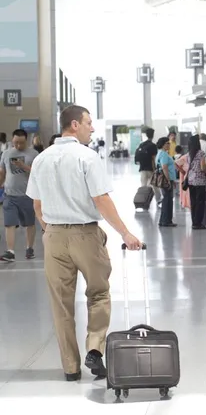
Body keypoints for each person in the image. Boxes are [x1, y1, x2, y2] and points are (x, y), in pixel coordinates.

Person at [26, 105, 143, 382]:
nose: (92, 128)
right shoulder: (87, 157)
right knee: (99, 294)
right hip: (86, 234)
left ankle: (70, 368)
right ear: (75, 125)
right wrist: (125, 233)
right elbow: (101, 200)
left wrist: (50, 231)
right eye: (89, 122)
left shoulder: (41, 159)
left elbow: (37, 205)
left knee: (61, 305)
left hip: (54, 236)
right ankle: (94, 349)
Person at [0, 129, 39, 261]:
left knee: (29, 223)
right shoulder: (6, 154)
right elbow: (2, 172)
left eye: (21, 143)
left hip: (27, 195)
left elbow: (39, 173)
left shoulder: (34, 154)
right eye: (15, 142)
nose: (18, 145)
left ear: (26, 141)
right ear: (12, 140)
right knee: (9, 223)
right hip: (9, 195)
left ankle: (29, 248)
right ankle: (10, 251)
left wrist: (24, 166)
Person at [185, 135, 206, 229]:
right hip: (199, 181)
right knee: (200, 202)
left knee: (193, 202)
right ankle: (198, 223)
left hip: (191, 180)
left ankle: (194, 222)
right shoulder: (201, 153)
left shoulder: (188, 154)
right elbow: (203, 168)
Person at [135, 128, 161, 205]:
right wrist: (155, 169)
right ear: (153, 135)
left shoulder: (141, 145)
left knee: (143, 186)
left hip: (142, 169)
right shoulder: (153, 146)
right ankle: (158, 200)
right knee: (155, 185)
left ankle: (143, 201)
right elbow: (154, 158)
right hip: (150, 169)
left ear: (146, 135)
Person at [155, 137, 177, 227]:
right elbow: (164, 167)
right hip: (166, 179)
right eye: (167, 143)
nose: (169, 144)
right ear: (163, 144)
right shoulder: (164, 154)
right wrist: (168, 180)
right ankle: (167, 221)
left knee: (166, 199)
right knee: (168, 200)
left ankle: (163, 220)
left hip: (165, 178)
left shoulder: (160, 153)